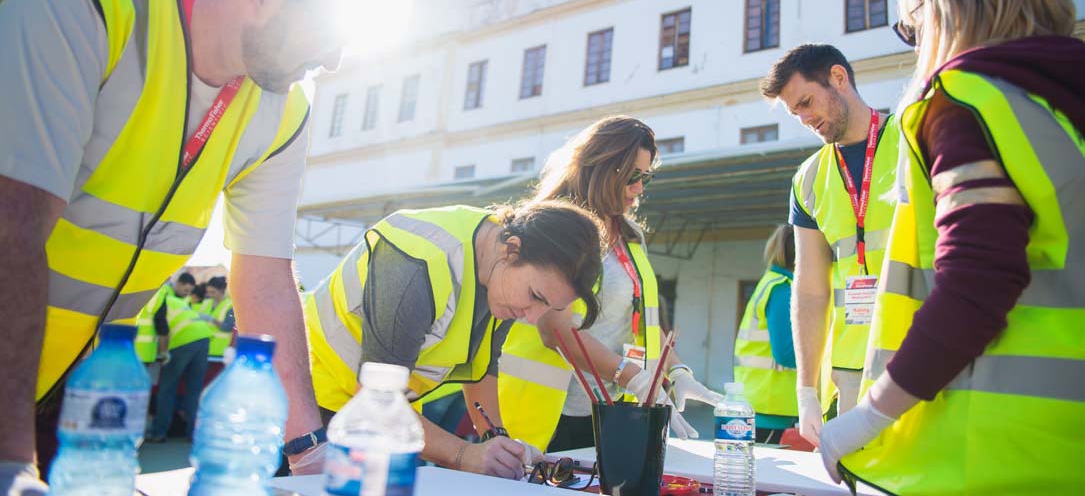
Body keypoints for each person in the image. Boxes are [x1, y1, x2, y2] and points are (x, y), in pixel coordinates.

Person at [0, 0, 365, 491]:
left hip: (65, 391)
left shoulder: (282, 112)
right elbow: (10, 231)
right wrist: (9, 463)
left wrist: (308, 454)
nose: (332, 60)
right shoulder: (84, 7)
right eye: (325, 33)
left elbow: (266, 275)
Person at [819, 0, 1085, 494]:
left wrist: (869, 416)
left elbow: (978, 280)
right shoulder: (1061, 99)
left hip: (1002, 450)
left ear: (938, 13)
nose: (914, 44)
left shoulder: (963, 101)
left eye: (909, 28)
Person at [302, 201, 603, 479]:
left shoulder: (496, 266)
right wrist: (465, 455)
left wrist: (497, 441)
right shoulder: (416, 264)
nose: (533, 317)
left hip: (381, 417)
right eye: (535, 297)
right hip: (310, 404)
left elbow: (482, 367)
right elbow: (376, 403)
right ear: (512, 249)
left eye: (548, 307)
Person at [499, 116, 721, 453]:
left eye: (645, 177)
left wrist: (677, 370)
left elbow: (644, 319)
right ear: (603, 168)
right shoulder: (554, 228)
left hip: (614, 410)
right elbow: (555, 330)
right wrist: (633, 375)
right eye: (633, 176)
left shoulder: (632, 236)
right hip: (553, 415)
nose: (640, 188)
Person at [758, 44, 900, 447]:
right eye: (795, 113)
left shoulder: (912, 139)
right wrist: (807, 391)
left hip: (923, 356)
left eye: (806, 102)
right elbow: (809, 289)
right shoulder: (808, 178)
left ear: (839, 78)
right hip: (852, 373)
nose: (804, 119)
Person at [733, 224, 798, 444]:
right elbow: (786, 354)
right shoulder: (782, 289)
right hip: (771, 408)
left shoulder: (771, 283)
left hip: (762, 402)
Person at [145, 283, 214, 442]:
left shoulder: (157, 303)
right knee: (194, 391)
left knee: (167, 389)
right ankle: (193, 434)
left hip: (183, 341)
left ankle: (159, 432)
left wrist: (162, 353)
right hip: (203, 338)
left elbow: (162, 330)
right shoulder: (175, 302)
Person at [134, 273, 197, 364]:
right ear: (178, 283)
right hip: (145, 350)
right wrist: (164, 351)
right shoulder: (162, 292)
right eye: (185, 289)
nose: (187, 293)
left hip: (138, 349)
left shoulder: (186, 300)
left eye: (189, 291)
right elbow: (161, 324)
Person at [203, 276, 235, 358]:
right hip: (202, 350)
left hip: (219, 351)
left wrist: (212, 320)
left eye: (213, 292)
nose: (210, 295)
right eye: (208, 292)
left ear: (222, 291)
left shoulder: (230, 306)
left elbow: (227, 327)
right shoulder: (206, 303)